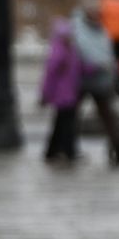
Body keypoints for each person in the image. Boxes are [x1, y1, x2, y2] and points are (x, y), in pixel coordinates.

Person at [72, 0, 119, 158]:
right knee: (71, 114)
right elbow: (82, 49)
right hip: (82, 78)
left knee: (108, 114)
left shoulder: (100, 27)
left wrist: (109, 67)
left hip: (100, 79)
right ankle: (68, 147)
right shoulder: (78, 27)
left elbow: (106, 49)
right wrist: (99, 63)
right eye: (94, 11)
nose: (97, 14)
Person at [39, 16, 84, 164]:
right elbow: (50, 76)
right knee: (66, 125)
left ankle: (53, 151)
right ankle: (68, 151)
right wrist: (45, 94)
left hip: (70, 94)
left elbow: (80, 68)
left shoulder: (71, 51)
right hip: (62, 95)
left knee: (60, 124)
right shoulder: (60, 52)